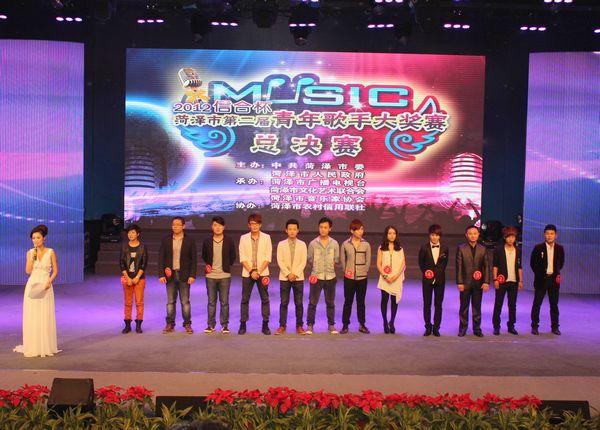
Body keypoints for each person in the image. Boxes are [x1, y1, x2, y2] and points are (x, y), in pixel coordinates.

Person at [13, 225, 61, 357]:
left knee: (44, 314)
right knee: (33, 314)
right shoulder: (30, 253)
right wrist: (32, 258)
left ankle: (45, 345)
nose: (35, 240)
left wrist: (49, 281)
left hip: (45, 284)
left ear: (44, 238)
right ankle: (33, 345)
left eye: (38, 237)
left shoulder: (50, 252)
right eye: (33, 238)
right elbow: (28, 271)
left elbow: (55, 270)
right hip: (33, 284)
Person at [158, 217, 197, 334]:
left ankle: (187, 324)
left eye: (178, 224)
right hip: (170, 275)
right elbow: (161, 258)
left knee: (185, 302)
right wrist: (161, 274)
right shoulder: (166, 239)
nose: (175, 226)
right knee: (170, 301)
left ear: (183, 226)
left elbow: (194, 260)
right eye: (173, 224)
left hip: (184, 275)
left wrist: (192, 275)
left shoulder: (189, 240)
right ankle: (170, 324)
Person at [238, 213, 273, 335]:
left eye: (256, 224)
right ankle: (243, 324)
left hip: (262, 273)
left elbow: (268, 257)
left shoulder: (267, 238)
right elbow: (242, 257)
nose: (254, 226)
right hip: (248, 273)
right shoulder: (243, 238)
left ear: (260, 225)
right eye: (252, 224)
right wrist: (251, 271)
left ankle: (265, 324)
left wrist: (258, 271)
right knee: (244, 299)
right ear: (249, 225)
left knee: (265, 299)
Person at [201, 216, 236, 334]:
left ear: (224, 227)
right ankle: (210, 325)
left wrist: (226, 266)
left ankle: (224, 325)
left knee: (224, 302)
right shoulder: (207, 241)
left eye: (220, 225)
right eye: (215, 225)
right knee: (211, 302)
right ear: (212, 227)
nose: (217, 228)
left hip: (224, 275)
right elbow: (204, 255)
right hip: (210, 276)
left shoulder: (229, 240)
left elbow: (233, 256)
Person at [306, 217, 340, 335]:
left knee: (330, 303)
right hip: (316, 276)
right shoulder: (313, 243)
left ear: (330, 229)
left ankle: (331, 325)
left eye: (325, 227)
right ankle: (310, 325)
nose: (323, 229)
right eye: (321, 227)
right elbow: (310, 259)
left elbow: (336, 259)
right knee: (312, 302)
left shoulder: (334, 243)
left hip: (330, 277)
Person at [530, 224, 565, 336]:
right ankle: (534, 326)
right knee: (537, 304)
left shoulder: (560, 248)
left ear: (556, 235)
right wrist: (540, 274)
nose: (549, 236)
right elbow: (533, 263)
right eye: (547, 233)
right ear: (544, 235)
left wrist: (554, 273)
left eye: (552, 234)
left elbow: (561, 263)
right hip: (541, 280)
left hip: (554, 281)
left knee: (554, 305)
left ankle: (555, 327)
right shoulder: (538, 248)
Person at [456, 225, 490, 337]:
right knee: (464, 307)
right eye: (470, 233)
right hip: (465, 283)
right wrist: (460, 282)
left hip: (478, 283)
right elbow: (459, 266)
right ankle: (463, 328)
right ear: (466, 235)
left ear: (478, 235)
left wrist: (486, 282)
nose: (473, 236)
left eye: (475, 233)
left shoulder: (483, 249)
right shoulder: (461, 248)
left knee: (477, 307)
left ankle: (477, 329)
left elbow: (486, 266)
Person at [275, 219, 307, 335]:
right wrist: (288, 273)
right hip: (285, 277)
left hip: (298, 278)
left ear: (298, 230)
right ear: (286, 230)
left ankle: (299, 326)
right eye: (290, 229)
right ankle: (282, 326)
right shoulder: (281, 244)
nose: (292, 231)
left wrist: (295, 273)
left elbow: (303, 261)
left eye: (294, 229)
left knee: (299, 303)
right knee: (284, 303)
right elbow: (280, 260)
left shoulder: (302, 244)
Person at [340, 219, 372, 334]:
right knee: (348, 302)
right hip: (349, 278)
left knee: (361, 302)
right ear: (352, 231)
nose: (360, 231)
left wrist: (364, 271)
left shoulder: (366, 244)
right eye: (358, 229)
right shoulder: (345, 244)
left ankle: (362, 324)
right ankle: (345, 325)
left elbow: (368, 261)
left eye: (362, 229)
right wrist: (347, 271)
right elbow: (343, 260)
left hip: (362, 278)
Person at [418, 224, 449, 337]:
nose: (434, 237)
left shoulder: (445, 248)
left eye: (436, 235)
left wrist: (437, 275)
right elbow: (421, 263)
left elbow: (444, 264)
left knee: (438, 304)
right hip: (427, 281)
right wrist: (428, 274)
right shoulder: (424, 247)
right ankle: (427, 327)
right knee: (427, 304)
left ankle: (436, 328)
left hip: (440, 280)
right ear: (429, 235)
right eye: (432, 235)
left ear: (439, 236)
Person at [492, 226, 523, 336]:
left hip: (513, 281)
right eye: (508, 237)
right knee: (498, 304)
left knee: (512, 305)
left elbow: (519, 266)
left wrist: (520, 280)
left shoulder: (518, 250)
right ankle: (496, 326)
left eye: (513, 237)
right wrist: (495, 279)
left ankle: (511, 326)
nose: (511, 239)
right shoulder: (498, 249)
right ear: (505, 237)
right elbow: (495, 265)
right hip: (501, 281)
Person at [376, 225, 405, 334]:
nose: (392, 235)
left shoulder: (400, 249)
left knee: (394, 301)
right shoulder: (381, 248)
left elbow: (403, 264)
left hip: (396, 279)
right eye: (389, 233)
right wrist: (385, 276)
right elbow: (378, 264)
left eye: (394, 233)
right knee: (384, 300)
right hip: (385, 278)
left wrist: (396, 276)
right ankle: (385, 322)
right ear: (386, 235)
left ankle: (392, 322)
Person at [119, 224, 148, 334]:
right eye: (129, 232)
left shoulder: (142, 247)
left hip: (139, 278)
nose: (130, 235)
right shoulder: (124, 246)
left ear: (137, 234)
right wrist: (127, 278)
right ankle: (127, 325)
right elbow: (121, 263)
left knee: (139, 302)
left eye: (133, 232)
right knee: (128, 302)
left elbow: (144, 264)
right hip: (127, 278)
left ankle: (138, 325)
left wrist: (137, 277)